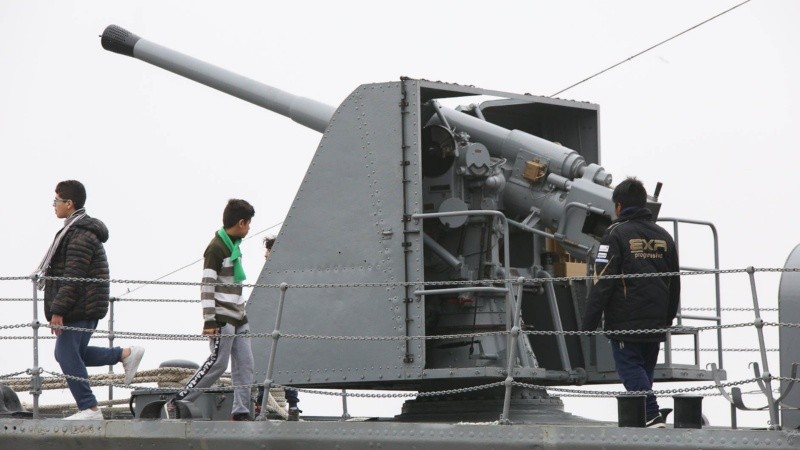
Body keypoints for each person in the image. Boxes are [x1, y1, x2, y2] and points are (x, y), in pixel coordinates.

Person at [35, 180, 144, 420]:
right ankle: (125, 353)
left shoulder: (80, 234)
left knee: (66, 355)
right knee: (75, 354)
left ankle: (90, 408)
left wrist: (58, 310)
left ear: (69, 203)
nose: (54, 205)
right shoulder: (74, 230)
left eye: (56, 200)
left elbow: (73, 275)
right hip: (83, 304)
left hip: (80, 306)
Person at [580, 177, 680, 429]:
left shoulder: (614, 234)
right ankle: (644, 417)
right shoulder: (664, 236)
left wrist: (588, 323)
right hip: (656, 320)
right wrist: (667, 319)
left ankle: (650, 413)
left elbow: (602, 281)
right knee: (644, 371)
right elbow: (675, 282)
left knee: (630, 369)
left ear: (618, 206)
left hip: (626, 319)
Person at [172, 199, 256, 421]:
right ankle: (180, 400)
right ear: (241, 223)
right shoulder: (216, 248)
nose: (249, 228)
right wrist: (209, 320)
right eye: (248, 223)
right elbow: (207, 286)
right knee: (218, 363)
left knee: (245, 365)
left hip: (239, 316)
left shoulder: (234, 247)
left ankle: (241, 411)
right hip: (222, 317)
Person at [256, 235, 301, 421]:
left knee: (280, 361)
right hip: (273, 323)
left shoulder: (282, 274)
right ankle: (289, 405)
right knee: (265, 361)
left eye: (268, 252)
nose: (265, 256)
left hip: (282, 323)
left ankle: (289, 404)